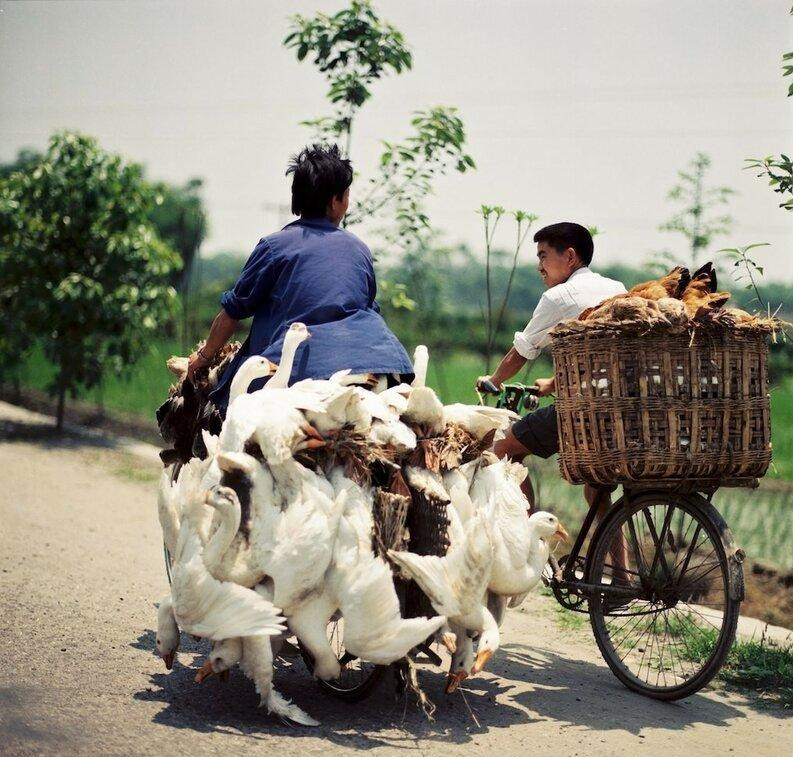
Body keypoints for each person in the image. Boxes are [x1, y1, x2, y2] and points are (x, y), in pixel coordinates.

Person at [187, 143, 415, 412]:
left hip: (292, 373)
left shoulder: (274, 247)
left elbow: (233, 311)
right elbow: (368, 309)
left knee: (224, 415)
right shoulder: (359, 249)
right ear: (335, 202)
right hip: (379, 365)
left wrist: (202, 357)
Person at [476, 222, 629, 575]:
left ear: (570, 257)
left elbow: (521, 352)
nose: (539, 266)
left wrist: (493, 379)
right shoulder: (616, 288)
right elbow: (600, 354)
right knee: (597, 491)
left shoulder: (558, 297)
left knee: (502, 448)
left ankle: (532, 546)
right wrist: (553, 382)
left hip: (582, 412)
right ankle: (621, 575)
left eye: (544, 256)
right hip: (616, 408)